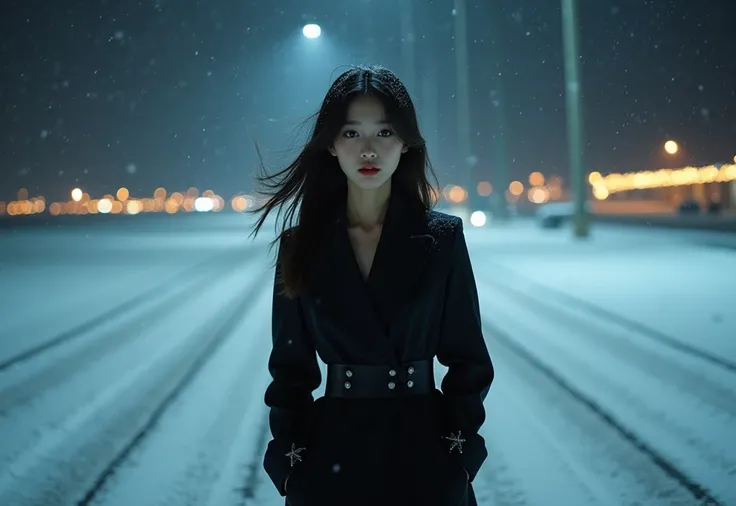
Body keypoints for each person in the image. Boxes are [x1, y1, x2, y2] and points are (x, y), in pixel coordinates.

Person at [249, 65, 494, 506]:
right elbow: (290, 371)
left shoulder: (442, 240)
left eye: (383, 133)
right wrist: (290, 469)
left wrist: (459, 457)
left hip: (427, 462)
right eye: (351, 133)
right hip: (331, 463)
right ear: (330, 145)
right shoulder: (300, 247)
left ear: (405, 142)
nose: (368, 150)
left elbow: (469, 360)